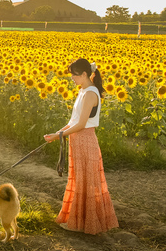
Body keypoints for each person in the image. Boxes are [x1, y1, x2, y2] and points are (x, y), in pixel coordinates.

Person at [43, 58, 119, 234]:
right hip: (77, 140)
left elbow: (82, 123)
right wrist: (57, 133)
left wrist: (58, 136)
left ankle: (84, 223)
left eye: (74, 76)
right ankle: (78, 220)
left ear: (84, 74)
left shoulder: (91, 93)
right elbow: (73, 121)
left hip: (85, 140)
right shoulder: (83, 91)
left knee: (86, 182)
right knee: (79, 181)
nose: (72, 79)